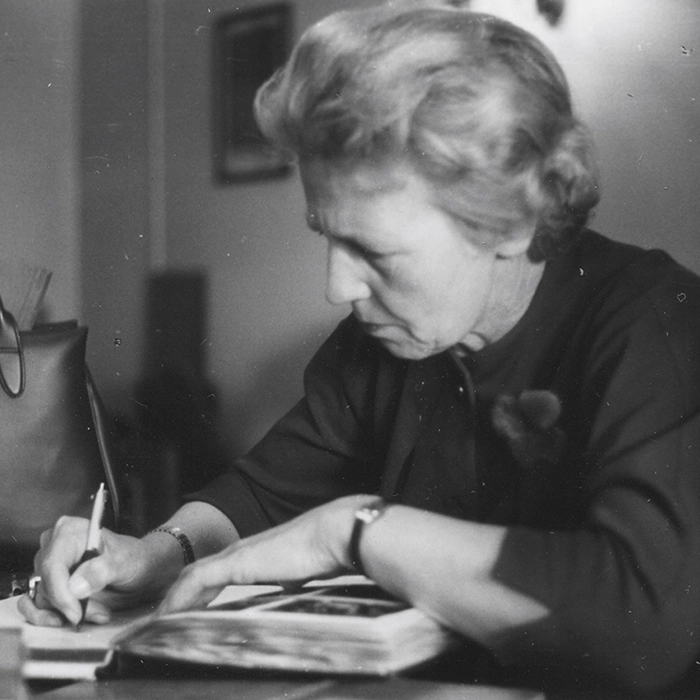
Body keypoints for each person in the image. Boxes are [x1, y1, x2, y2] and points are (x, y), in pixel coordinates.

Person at [19, 2, 700, 692]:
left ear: (511, 223)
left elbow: (640, 620)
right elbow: (263, 491)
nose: (337, 285)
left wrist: (353, 529)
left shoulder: (654, 323)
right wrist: (158, 552)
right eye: (326, 234)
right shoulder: (379, 345)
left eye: (372, 250)